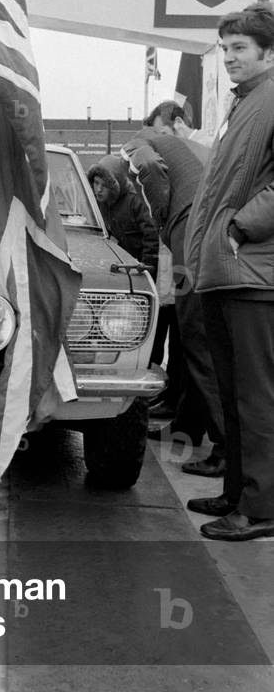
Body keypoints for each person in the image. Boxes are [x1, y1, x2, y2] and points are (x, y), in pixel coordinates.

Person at [184, 1, 274, 541]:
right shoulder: (244, 105)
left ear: (268, 51)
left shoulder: (269, 101)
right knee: (235, 392)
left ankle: (262, 509)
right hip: (226, 271)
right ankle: (240, 490)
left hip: (252, 274)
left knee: (257, 397)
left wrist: (238, 230)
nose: (230, 58)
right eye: (225, 49)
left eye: (239, 48)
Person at [121, 124, 226, 478]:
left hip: (190, 227)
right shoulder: (190, 148)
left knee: (196, 338)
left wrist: (162, 218)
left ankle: (226, 448)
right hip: (217, 225)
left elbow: (148, 166)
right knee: (196, 336)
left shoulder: (138, 144)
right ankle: (189, 426)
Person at [86, 154, 159, 279]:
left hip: (138, 266)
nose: (98, 189)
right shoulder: (97, 202)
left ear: (114, 186)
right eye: (96, 183)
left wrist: (147, 266)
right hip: (114, 262)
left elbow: (151, 234)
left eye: (104, 185)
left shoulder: (135, 201)